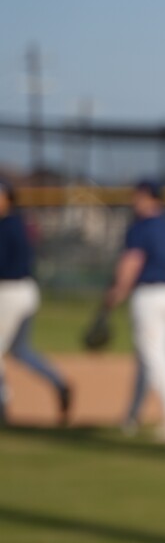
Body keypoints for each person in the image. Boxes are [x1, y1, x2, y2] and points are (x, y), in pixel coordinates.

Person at [106, 178, 165, 444]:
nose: (135, 200)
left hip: (151, 296)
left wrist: (118, 290)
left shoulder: (140, 227)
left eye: (139, 196)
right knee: (148, 357)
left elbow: (132, 261)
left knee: (157, 358)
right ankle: (132, 416)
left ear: (149, 198)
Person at [0, 179, 72, 426]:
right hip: (25, 291)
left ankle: (2, 406)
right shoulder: (18, 223)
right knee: (20, 350)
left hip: (10, 292)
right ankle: (59, 383)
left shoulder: (7, 225)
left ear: (8, 199)